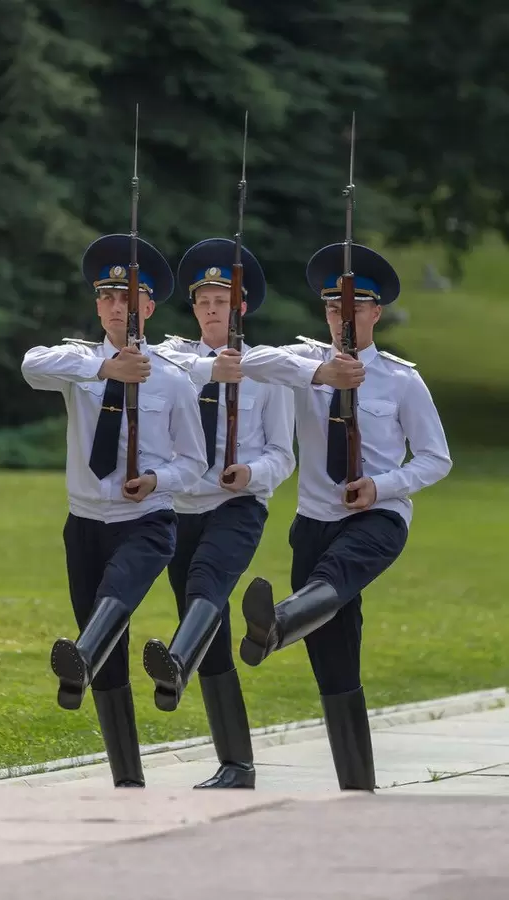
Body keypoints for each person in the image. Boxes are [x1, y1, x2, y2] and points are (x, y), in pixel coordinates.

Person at [232, 241, 452, 792]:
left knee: (335, 579)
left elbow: (436, 458)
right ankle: (358, 785)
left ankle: (278, 622)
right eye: (334, 308)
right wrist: (322, 377)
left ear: (375, 313)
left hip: (378, 519)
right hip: (314, 522)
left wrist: (383, 485)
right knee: (333, 654)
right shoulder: (304, 362)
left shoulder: (403, 380)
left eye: (354, 308)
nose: (343, 318)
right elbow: (246, 361)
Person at [21, 233, 207, 788]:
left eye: (129, 299)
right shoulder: (78, 364)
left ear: (149, 308)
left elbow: (193, 462)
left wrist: (155, 479)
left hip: (145, 520)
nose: (117, 307)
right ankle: (128, 777)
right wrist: (105, 373)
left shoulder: (172, 378)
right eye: (108, 298)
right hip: (84, 523)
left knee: (117, 595)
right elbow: (32, 366)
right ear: (98, 306)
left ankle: (80, 654)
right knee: (105, 650)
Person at [142, 238, 296, 789]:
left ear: (242, 307)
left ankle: (174, 665)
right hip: (182, 507)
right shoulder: (176, 363)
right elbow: (166, 365)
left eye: (222, 299)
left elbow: (283, 455)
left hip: (237, 506)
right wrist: (213, 373)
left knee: (207, 586)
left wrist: (249, 475)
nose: (212, 308)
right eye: (204, 300)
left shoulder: (269, 372)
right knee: (208, 625)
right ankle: (237, 764)